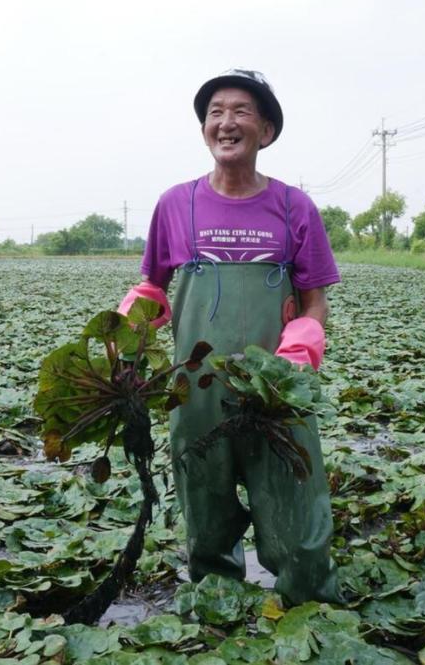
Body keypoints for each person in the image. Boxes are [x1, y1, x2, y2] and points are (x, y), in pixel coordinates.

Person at [118, 69, 344, 605]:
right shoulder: (176, 204)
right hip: (197, 391)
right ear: (204, 130)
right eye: (215, 112)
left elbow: (314, 298)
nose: (226, 122)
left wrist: (300, 347)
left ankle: (310, 606)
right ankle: (218, 609)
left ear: (265, 131)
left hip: (278, 391)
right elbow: (155, 284)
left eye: (241, 111)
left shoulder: (294, 208)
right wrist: (129, 328)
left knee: (298, 516)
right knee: (206, 514)